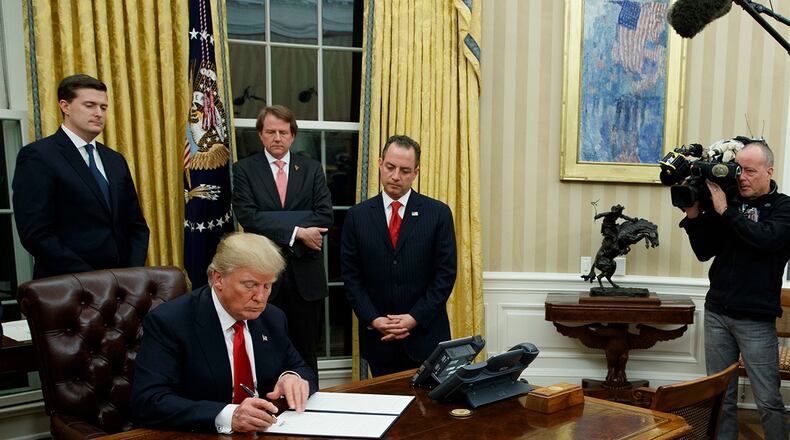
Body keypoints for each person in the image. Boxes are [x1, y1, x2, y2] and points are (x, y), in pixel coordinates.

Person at [131, 232, 317, 434]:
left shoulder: (272, 318)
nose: (261, 297)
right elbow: (148, 401)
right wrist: (228, 415)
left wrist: (292, 377)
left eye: (267, 285)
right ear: (218, 278)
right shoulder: (170, 322)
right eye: (250, 285)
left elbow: (302, 368)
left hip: (266, 430)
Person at [679, 140, 790, 439]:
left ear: (769, 171)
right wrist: (693, 215)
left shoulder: (784, 208)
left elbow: (765, 240)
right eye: (739, 169)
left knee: (768, 401)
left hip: (755, 319)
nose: (741, 177)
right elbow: (705, 251)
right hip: (717, 313)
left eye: (751, 171)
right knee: (721, 398)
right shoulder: (728, 200)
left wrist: (726, 212)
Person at [341, 135, 457, 377]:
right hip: (379, 339)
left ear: (416, 172)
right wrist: (374, 319)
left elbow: (445, 275)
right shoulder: (357, 216)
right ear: (380, 163)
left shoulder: (438, 213)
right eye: (391, 167)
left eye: (405, 170)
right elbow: (351, 277)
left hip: (426, 336)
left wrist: (414, 317)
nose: (396, 176)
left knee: (429, 412)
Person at [12, 74, 149, 279]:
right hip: (68, 286)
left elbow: (137, 225)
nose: (98, 114)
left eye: (103, 107)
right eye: (90, 105)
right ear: (65, 106)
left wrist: (130, 273)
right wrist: (91, 277)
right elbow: (36, 233)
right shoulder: (39, 156)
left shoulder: (115, 160)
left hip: (123, 285)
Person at [232, 105, 332, 374]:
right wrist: (298, 232)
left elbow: (323, 216)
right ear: (260, 135)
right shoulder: (244, 170)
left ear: (292, 135)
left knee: (305, 354)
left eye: (283, 132)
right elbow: (249, 217)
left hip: (305, 280)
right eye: (271, 132)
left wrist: (272, 220)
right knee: (264, 354)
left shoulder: (311, 169)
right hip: (262, 278)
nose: (277, 137)